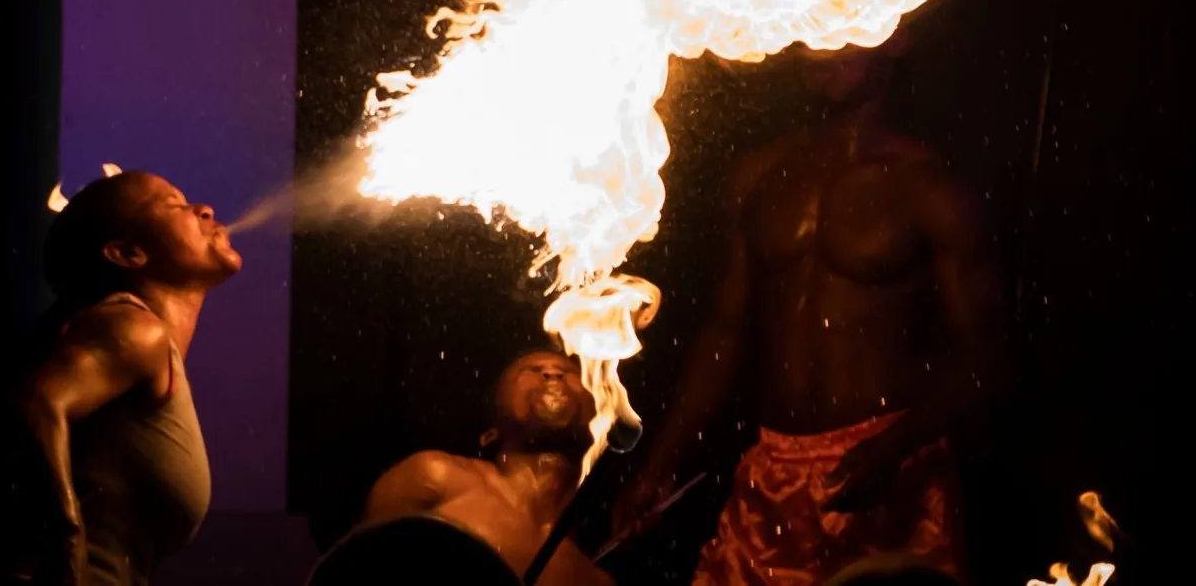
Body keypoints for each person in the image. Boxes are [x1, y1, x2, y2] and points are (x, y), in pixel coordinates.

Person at [614, 29, 1005, 585]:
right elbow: (725, 332)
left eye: (843, 22)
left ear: (893, 40)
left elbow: (984, 356)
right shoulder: (758, 176)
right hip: (771, 473)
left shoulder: (929, 189)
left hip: (889, 476)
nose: (820, 41)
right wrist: (659, 465)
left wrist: (896, 446)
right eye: (813, 22)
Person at [15, 170, 242, 586]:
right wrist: (66, 539)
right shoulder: (136, 331)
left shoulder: (149, 350)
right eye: (174, 205)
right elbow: (35, 403)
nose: (204, 209)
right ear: (126, 253)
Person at [361, 349, 614, 586]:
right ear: (490, 433)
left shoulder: (594, 580)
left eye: (570, 373)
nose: (553, 374)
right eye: (532, 369)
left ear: (599, 426)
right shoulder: (435, 477)